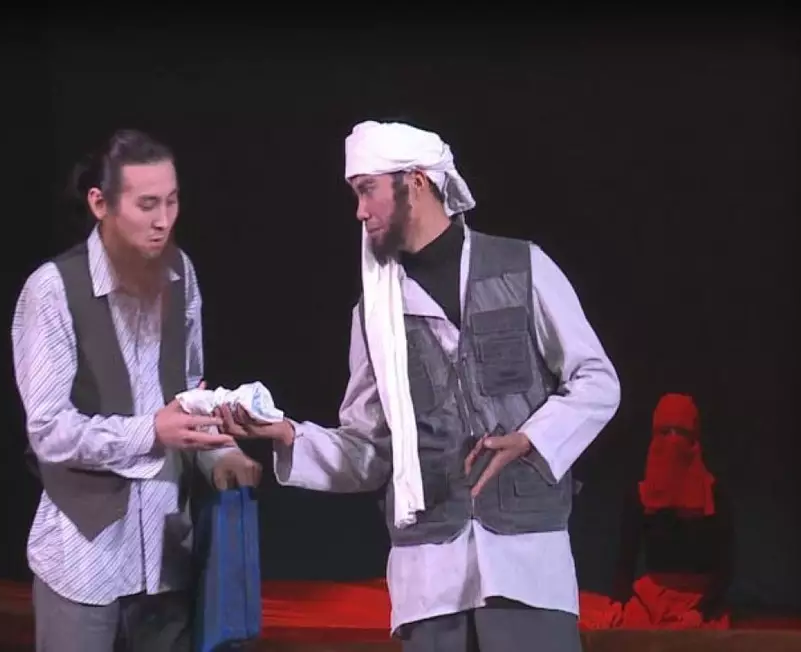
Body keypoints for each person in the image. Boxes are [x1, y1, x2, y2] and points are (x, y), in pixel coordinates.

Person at [217, 120, 621, 652]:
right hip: (431, 582)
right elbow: (369, 451)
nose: (360, 211)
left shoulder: (522, 268)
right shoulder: (375, 313)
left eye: (367, 190)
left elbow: (596, 380)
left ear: (416, 182)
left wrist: (532, 438)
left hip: (528, 567)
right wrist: (290, 435)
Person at [11, 128, 262, 652]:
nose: (164, 220)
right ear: (100, 204)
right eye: (147, 204)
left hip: (169, 556)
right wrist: (150, 432)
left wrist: (221, 452)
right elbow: (49, 432)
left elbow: (189, 391)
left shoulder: (180, 274)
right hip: (84, 560)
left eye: (172, 201)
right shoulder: (53, 290)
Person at [611, 392, 733, 629]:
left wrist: (700, 611)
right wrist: (619, 602)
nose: (672, 441)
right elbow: (626, 558)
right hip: (651, 599)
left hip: (700, 601)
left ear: (693, 440)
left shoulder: (714, 495)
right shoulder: (640, 495)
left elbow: (726, 567)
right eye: (665, 432)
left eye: (681, 433)